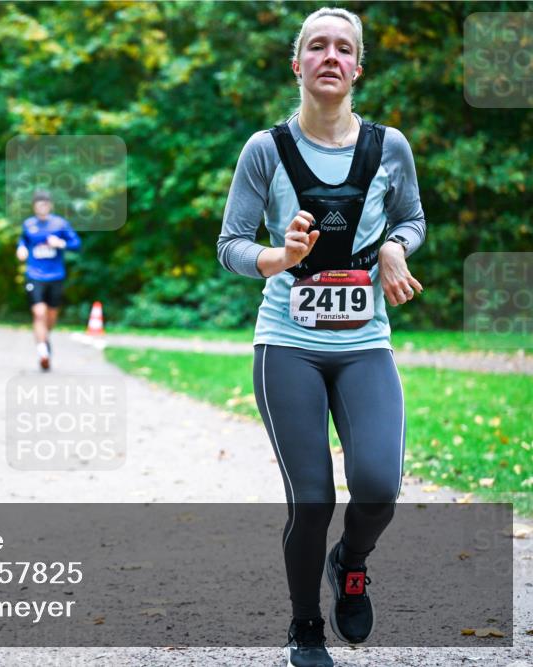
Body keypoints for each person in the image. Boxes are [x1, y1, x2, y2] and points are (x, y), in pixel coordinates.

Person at [216, 8, 425, 667]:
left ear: (358, 66)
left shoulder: (389, 148)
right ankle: (305, 627)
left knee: (378, 487)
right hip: (287, 342)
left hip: (365, 342)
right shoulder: (264, 149)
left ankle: (351, 560)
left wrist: (394, 246)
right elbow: (230, 246)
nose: (331, 56)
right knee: (311, 498)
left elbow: (414, 219)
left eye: (344, 48)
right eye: (317, 47)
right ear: (297, 64)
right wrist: (278, 257)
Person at [16, 190, 82, 371]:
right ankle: (42, 351)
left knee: (51, 317)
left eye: (45, 204)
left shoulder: (60, 224)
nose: (42, 207)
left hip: (56, 276)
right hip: (34, 275)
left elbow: (77, 244)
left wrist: (61, 243)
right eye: (39, 204)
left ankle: (45, 339)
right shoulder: (29, 224)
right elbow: (22, 241)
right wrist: (21, 249)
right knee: (39, 313)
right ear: (34, 206)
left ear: (50, 205)